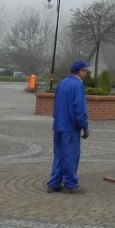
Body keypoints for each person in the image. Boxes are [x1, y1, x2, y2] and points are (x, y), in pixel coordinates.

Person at [47, 59, 90, 194]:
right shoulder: (77, 85)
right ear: (79, 71)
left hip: (59, 125)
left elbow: (55, 104)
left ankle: (54, 184)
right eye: (85, 71)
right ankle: (70, 184)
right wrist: (84, 126)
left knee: (59, 155)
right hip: (70, 127)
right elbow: (79, 108)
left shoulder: (62, 83)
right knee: (70, 156)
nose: (86, 73)